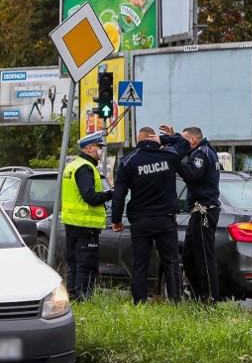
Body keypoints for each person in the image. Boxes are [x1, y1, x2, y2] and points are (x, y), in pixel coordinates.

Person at [110, 126, 190, 304]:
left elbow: (119, 194)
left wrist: (116, 220)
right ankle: (176, 301)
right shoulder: (168, 155)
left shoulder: (127, 161)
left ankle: (140, 302)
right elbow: (185, 143)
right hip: (165, 219)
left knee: (140, 263)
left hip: (141, 221)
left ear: (139, 140)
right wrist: (167, 138)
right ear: (153, 138)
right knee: (171, 262)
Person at [160, 125, 221, 303]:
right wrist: (174, 137)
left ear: (193, 140)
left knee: (203, 257)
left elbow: (192, 173)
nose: (183, 145)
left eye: (185, 141)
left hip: (204, 211)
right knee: (188, 256)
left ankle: (209, 299)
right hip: (197, 210)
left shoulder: (202, 153)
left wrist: (174, 159)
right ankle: (197, 296)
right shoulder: (201, 151)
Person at [60, 131, 114, 300]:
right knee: (87, 265)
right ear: (89, 148)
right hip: (85, 225)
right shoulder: (85, 168)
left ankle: (73, 297)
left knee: (74, 264)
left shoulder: (72, 166)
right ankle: (83, 299)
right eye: (99, 147)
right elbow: (90, 197)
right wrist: (109, 193)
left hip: (72, 223)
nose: (101, 151)